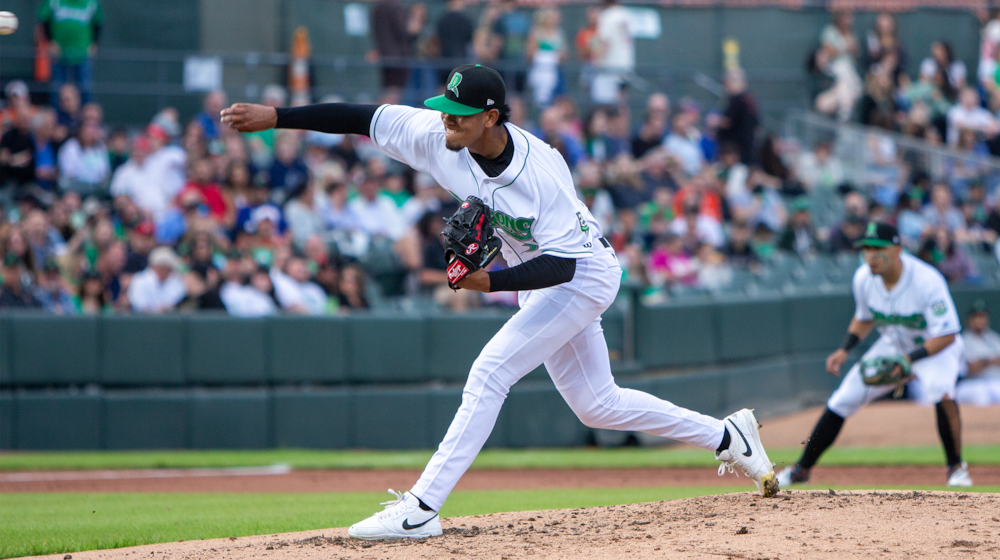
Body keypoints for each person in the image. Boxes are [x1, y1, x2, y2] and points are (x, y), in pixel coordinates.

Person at [222, 63, 779, 541]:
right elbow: (362, 117)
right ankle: (727, 435)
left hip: (581, 276)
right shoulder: (438, 136)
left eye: (459, 112)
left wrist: (483, 282)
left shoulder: (541, 171)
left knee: (489, 371)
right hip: (541, 276)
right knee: (597, 405)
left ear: (491, 117)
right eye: (444, 108)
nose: (446, 119)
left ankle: (420, 509)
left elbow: (563, 264)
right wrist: (279, 116)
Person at [776, 222, 972, 489]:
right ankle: (801, 470)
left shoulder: (927, 280)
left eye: (878, 248)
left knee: (941, 390)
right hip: (893, 345)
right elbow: (864, 318)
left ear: (898, 249)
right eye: (866, 248)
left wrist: (909, 360)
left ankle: (956, 468)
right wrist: (844, 349)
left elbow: (948, 334)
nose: (871, 255)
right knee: (843, 398)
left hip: (934, 349)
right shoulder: (863, 279)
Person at [37, 0, 103, 104]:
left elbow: (98, 23)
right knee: (57, 88)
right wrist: (50, 41)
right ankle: (57, 118)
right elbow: (44, 20)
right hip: (59, 52)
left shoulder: (90, 2)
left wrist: (94, 43)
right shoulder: (54, 2)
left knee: (85, 88)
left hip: (82, 52)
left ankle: (88, 119)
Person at [957, 302, 1000, 406]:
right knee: (981, 394)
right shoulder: (962, 341)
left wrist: (984, 362)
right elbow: (971, 368)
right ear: (969, 320)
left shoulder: (993, 338)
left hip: (994, 381)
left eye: (982, 316)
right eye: (976, 317)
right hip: (971, 384)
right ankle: (980, 422)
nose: (979, 320)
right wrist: (990, 361)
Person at [591, 0, 633, 105]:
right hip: (625, 68)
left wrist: (596, 63)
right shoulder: (627, 14)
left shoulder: (607, 15)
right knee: (620, 106)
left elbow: (605, 43)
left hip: (609, 71)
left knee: (604, 109)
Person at [717, 69, 759, 166]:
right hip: (748, 147)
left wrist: (715, 122)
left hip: (735, 151)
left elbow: (727, 122)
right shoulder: (750, 100)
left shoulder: (737, 100)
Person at [126, 246, 187, 313]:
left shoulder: (175, 280)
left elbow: (177, 304)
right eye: (166, 267)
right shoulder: (139, 280)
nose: (169, 271)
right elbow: (139, 307)